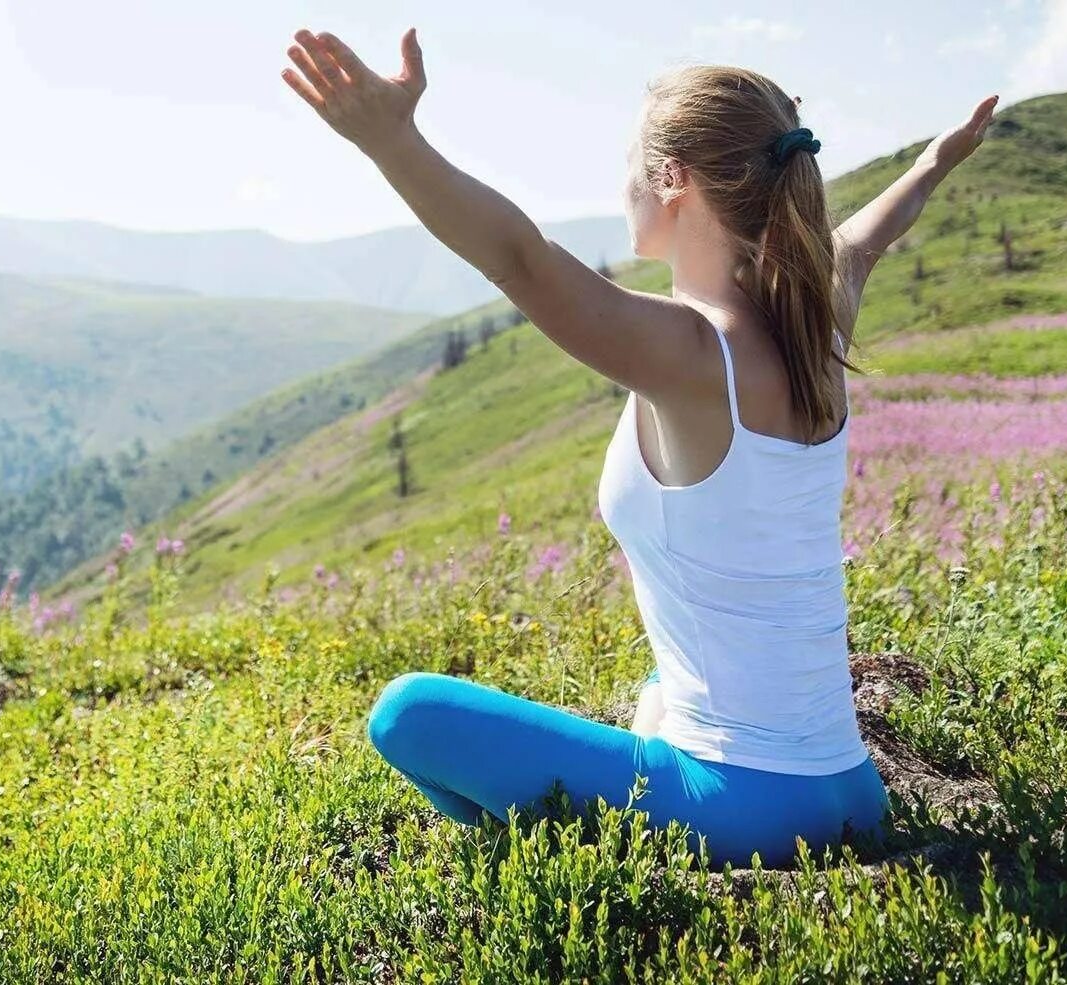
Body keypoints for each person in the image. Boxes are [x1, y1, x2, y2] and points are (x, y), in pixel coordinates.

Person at [281, 26, 996, 867]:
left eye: (632, 165)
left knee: (408, 714)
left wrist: (391, 141)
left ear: (673, 181)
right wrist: (933, 164)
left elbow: (519, 258)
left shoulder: (694, 353)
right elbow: (870, 234)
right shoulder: (815, 314)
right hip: (849, 788)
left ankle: (562, 860)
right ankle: (623, 819)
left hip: (747, 806)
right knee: (658, 692)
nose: (622, 186)